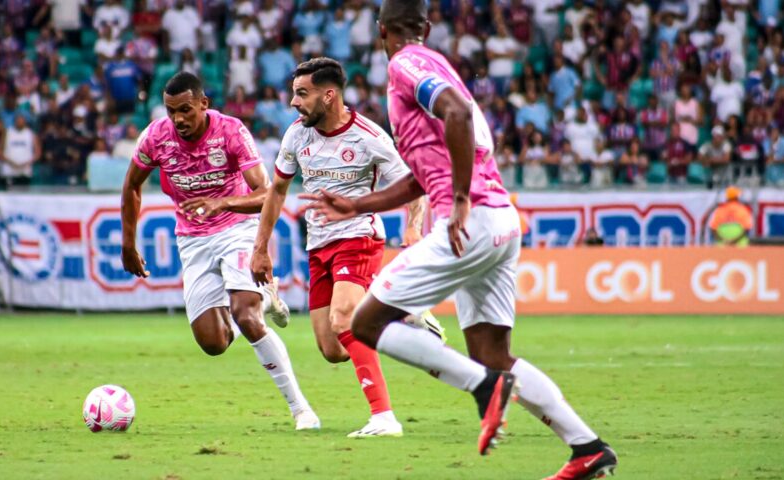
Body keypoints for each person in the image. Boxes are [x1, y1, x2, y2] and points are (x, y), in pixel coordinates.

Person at [301, 2, 617, 479]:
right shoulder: (438, 64)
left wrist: (463, 199)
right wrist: (359, 204)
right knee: (494, 354)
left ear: (381, 30)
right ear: (426, 27)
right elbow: (427, 170)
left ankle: (483, 388)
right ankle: (587, 447)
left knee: (364, 323)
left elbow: (459, 115)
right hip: (499, 223)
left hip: (468, 221)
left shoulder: (407, 63)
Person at [250, 58, 441, 438]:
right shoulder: (296, 137)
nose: (293, 102)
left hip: (359, 235)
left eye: (302, 94)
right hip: (318, 244)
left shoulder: (369, 137)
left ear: (329, 94)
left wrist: (414, 229)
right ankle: (398, 313)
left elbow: (413, 186)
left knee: (342, 318)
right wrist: (260, 248)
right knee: (333, 348)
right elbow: (278, 192)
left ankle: (384, 417)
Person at [120, 72, 319, 430]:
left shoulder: (230, 131)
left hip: (236, 230)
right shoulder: (155, 137)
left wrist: (221, 202)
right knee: (214, 343)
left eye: (185, 110)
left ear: (203, 104)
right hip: (192, 241)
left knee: (246, 315)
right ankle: (264, 299)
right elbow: (132, 186)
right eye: (171, 111)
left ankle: (301, 409)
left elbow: (266, 193)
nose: (178, 119)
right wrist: (128, 243)